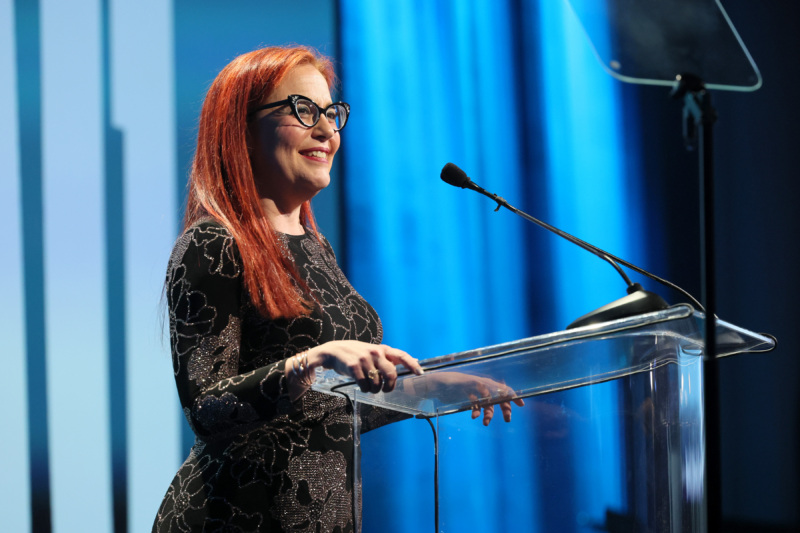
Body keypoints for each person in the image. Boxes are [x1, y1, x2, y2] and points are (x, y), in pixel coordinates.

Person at [153, 45, 522, 533]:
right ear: (240, 126)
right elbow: (207, 409)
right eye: (302, 111)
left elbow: (323, 414)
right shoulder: (212, 244)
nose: (327, 131)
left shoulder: (314, 247)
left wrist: (435, 388)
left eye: (331, 113)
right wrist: (314, 359)